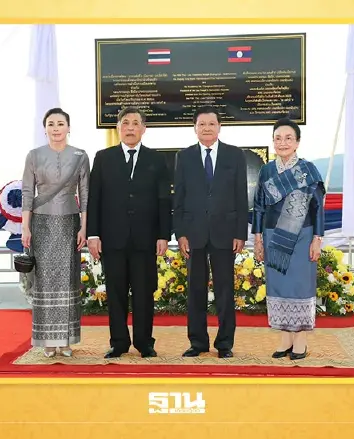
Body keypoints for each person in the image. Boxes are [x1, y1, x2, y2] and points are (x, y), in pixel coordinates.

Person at [86, 107, 171, 359]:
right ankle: (119, 342)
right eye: (126, 123)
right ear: (118, 128)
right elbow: (95, 199)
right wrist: (93, 234)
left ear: (143, 129)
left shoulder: (156, 160)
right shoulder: (103, 158)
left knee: (145, 292)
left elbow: (164, 200)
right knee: (116, 293)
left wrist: (164, 235)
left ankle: (145, 342)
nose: (131, 127)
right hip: (112, 239)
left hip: (146, 239)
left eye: (136, 123)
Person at [172, 105, 249, 359]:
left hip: (225, 233)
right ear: (195, 128)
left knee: (225, 289)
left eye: (211, 124)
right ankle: (198, 342)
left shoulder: (235, 155)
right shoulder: (184, 157)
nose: (207, 128)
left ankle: (225, 343)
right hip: (194, 233)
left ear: (219, 127)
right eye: (202, 124)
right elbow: (179, 198)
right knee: (195, 290)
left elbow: (241, 196)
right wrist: (180, 233)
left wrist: (240, 233)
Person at [251, 118, 325, 361]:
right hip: (273, 236)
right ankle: (284, 339)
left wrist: (317, 239)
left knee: (300, 286)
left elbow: (317, 208)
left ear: (298, 142)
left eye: (288, 138)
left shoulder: (309, 170)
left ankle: (301, 341)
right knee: (278, 285)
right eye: (278, 138)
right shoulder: (267, 170)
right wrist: (258, 239)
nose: (282, 143)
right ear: (273, 142)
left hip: (302, 235)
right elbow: (259, 207)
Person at [21, 107, 89, 358]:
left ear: (69, 127)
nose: (56, 128)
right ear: (45, 128)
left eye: (61, 123)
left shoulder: (81, 156)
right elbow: (28, 193)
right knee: (46, 281)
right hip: (41, 224)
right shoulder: (34, 156)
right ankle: (48, 341)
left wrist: (84, 226)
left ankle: (67, 340)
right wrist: (25, 226)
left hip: (70, 223)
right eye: (51, 124)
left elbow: (85, 194)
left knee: (67, 280)